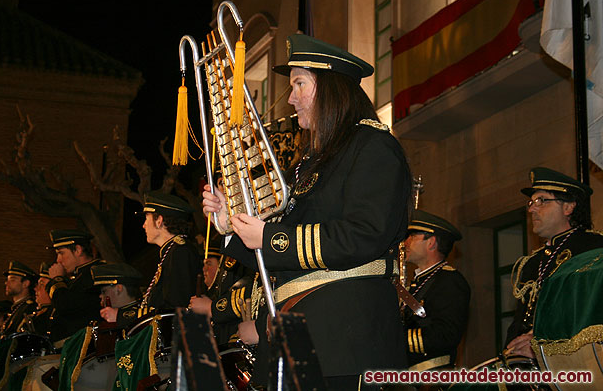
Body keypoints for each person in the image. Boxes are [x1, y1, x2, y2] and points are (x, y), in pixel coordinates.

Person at [203, 34, 411, 388]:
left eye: (300, 84)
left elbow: (364, 234)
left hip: (345, 343)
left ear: (331, 88)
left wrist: (267, 237)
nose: (291, 98)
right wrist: (230, 223)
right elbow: (278, 253)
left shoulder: (373, 146)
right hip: (298, 337)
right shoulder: (311, 163)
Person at [505, 167, 603, 359]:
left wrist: (540, 344)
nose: (532, 208)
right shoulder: (532, 263)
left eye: (541, 201)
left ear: (568, 207)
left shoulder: (594, 249)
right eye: (531, 202)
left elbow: (591, 311)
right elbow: (520, 321)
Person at [402, 210, 470, 371]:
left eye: (412, 237)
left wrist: (395, 338)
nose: (406, 243)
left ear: (431, 242)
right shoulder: (418, 282)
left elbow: (445, 335)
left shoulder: (449, 281)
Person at [138, 191, 201, 316]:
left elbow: (176, 305)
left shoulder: (180, 251)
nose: (143, 225)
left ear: (159, 221)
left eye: (146, 218)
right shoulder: (171, 251)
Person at [46, 229, 105, 341]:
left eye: (61, 253)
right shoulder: (78, 276)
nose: (58, 260)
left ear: (78, 250)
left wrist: (56, 280)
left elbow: (66, 305)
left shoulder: (95, 275)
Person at [92, 263, 143, 327]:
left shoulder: (145, 312)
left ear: (118, 289)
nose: (100, 296)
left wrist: (119, 317)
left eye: (104, 291)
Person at [0, 261, 37, 340]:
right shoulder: (17, 308)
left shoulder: (29, 308)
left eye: (12, 280)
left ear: (26, 283)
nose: (6, 283)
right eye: (7, 280)